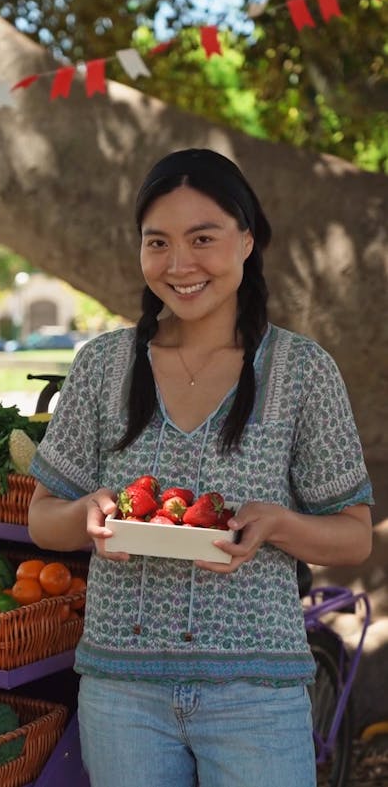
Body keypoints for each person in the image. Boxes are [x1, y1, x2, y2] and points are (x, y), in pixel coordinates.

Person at [28, 147, 373, 787]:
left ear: (247, 241)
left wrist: (276, 525)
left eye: (203, 238)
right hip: (121, 694)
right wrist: (88, 516)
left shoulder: (303, 372)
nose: (180, 264)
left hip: (257, 695)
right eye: (157, 241)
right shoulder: (102, 366)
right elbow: (44, 522)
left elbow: (353, 534)